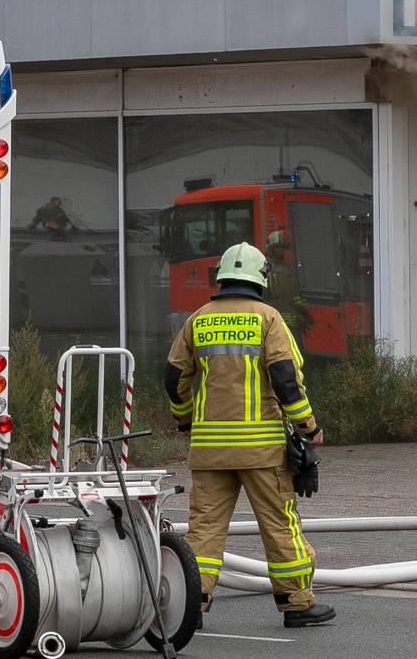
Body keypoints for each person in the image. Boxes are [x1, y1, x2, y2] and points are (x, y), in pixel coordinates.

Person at [166, 242, 335, 628]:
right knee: (279, 524)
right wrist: (309, 428)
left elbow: (174, 378)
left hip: (209, 450)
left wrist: (186, 421)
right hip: (261, 450)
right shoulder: (268, 318)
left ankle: (191, 607)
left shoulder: (198, 319)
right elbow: (285, 379)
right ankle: (296, 602)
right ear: (261, 278)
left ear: (221, 277)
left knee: (204, 532)